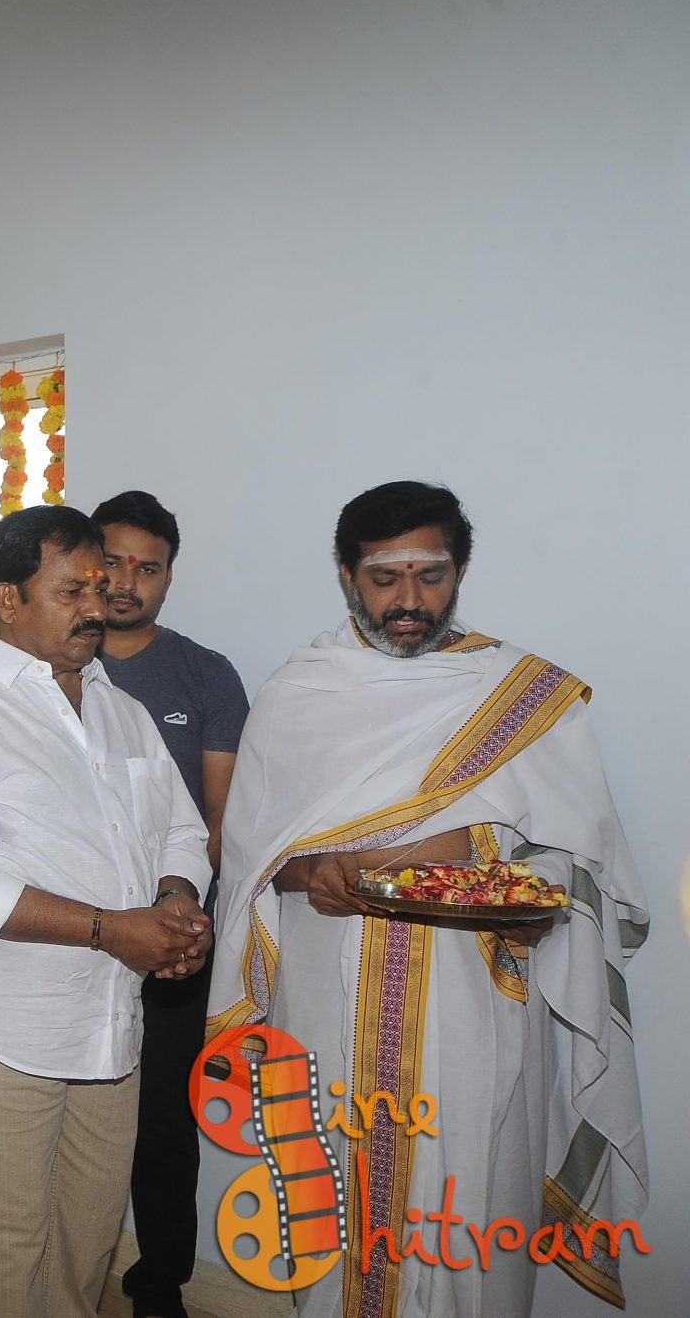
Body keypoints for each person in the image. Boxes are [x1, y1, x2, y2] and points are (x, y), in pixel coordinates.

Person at [208, 481, 648, 1316]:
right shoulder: (299, 695)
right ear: (347, 575)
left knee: (472, 1195)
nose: (408, 599)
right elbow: (252, 854)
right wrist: (312, 872)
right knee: (330, 1194)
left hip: (471, 999)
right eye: (385, 577)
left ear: (460, 572)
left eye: (431, 575)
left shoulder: (518, 696)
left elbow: (579, 863)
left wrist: (505, 876)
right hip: (328, 993)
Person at [0, 504, 214, 1318]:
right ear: (9, 599)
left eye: (99, 588)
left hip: (108, 1024)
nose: (98, 606)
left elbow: (180, 828)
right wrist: (111, 928)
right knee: (3, 1251)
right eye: (73, 590)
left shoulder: (121, 710)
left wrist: (175, 902)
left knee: (86, 1243)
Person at [90, 491, 250, 1318]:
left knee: (162, 1121)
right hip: (66, 935)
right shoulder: (50, 663)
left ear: (168, 578)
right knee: (72, 1115)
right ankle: (59, 1273)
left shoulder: (204, 674)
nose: (126, 581)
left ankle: (160, 1284)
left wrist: (175, 917)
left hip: (173, 939)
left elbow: (219, 816)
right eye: (111, 561)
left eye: (146, 567)